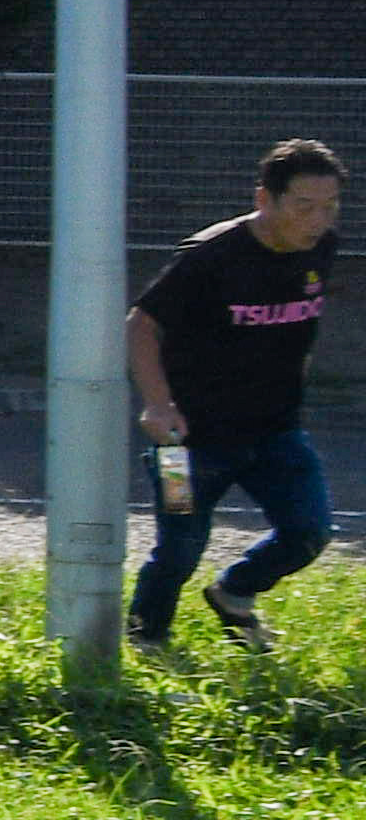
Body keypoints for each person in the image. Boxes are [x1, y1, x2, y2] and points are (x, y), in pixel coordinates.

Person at [129, 137, 341, 661]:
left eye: (331, 206)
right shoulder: (210, 256)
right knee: (179, 549)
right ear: (264, 199)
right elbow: (141, 325)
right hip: (186, 443)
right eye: (304, 206)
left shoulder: (321, 248)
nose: (318, 220)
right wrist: (157, 406)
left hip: (276, 433)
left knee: (309, 532)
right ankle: (146, 638)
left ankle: (233, 593)